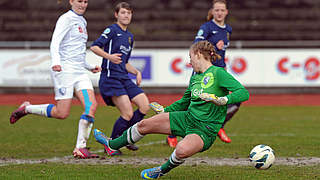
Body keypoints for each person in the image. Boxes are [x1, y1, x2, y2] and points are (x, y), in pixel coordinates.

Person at [94, 40, 250, 179]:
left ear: (197, 54)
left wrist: (224, 100)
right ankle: (112, 144)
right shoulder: (195, 77)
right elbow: (184, 102)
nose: (189, 62)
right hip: (187, 118)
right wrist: (164, 110)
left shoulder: (219, 73)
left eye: (190, 57)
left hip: (205, 129)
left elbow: (243, 93)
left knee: (181, 149)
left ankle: (161, 171)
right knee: (144, 125)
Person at [9, 0, 101, 159]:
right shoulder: (65, 19)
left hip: (79, 72)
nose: (83, 4)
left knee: (91, 105)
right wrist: (56, 62)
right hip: (64, 71)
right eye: (79, 1)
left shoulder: (82, 21)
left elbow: (77, 50)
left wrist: (89, 66)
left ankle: (81, 147)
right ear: (71, 1)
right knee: (61, 113)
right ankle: (27, 108)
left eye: (86, 1)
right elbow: (55, 42)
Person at [164, 0, 236, 146]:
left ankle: (219, 127)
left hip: (219, 73)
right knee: (191, 102)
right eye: (217, 10)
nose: (220, 13)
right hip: (203, 73)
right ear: (213, 11)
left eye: (222, 10)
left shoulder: (228, 29)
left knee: (233, 100)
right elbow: (196, 46)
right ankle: (172, 134)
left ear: (226, 12)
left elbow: (222, 53)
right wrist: (213, 47)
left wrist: (224, 68)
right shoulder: (207, 27)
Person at [90, 2, 150, 155]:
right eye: (123, 13)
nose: (126, 15)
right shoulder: (112, 30)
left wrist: (136, 72)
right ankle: (112, 144)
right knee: (128, 113)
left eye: (129, 13)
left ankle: (126, 138)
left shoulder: (130, 36)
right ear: (116, 15)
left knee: (144, 105)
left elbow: (125, 62)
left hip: (124, 78)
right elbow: (94, 46)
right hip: (111, 78)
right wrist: (108, 56)